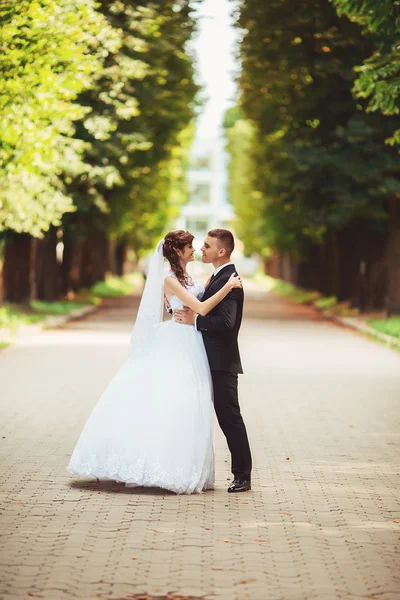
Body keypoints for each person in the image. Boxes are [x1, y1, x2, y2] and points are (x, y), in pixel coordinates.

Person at [67, 230, 242, 495]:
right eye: (191, 247)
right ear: (178, 252)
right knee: (174, 401)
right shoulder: (169, 280)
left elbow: (193, 307)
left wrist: (182, 310)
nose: (195, 250)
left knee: (192, 404)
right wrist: (227, 288)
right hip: (180, 341)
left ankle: (190, 465)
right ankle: (166, 466)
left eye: (199, 246)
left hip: (193, 342)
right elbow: (202, 309)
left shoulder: (190, 278)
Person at [174, 229, 252, 493]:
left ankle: (242, 475)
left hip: (222, 362)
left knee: (229, 417)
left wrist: (195, 321)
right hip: (205, 358)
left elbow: (227, 323)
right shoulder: (217, 277)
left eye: (207, 246)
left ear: (222, 251)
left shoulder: (231, 280)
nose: (201, 249)